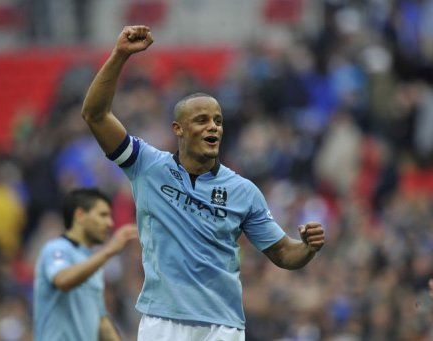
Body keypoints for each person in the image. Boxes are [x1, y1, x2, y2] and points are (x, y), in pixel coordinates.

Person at [81, 25, 326, 341]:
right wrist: (120, 55)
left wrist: (306, 248)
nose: (213, 127)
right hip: (161, 321)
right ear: (178, 129)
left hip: (221, 327)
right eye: (201, 120)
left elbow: (282, 253)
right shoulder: (147, 165)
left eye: (218, 121)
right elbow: (95, 115)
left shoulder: (243, 191)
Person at [33, 188, 137, 341]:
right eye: (103, 215)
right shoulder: (57, 249)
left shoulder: (91, 263)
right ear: (80, 215)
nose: (109, 223)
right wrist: (108, 251)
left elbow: (101, 321)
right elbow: (63, 280)